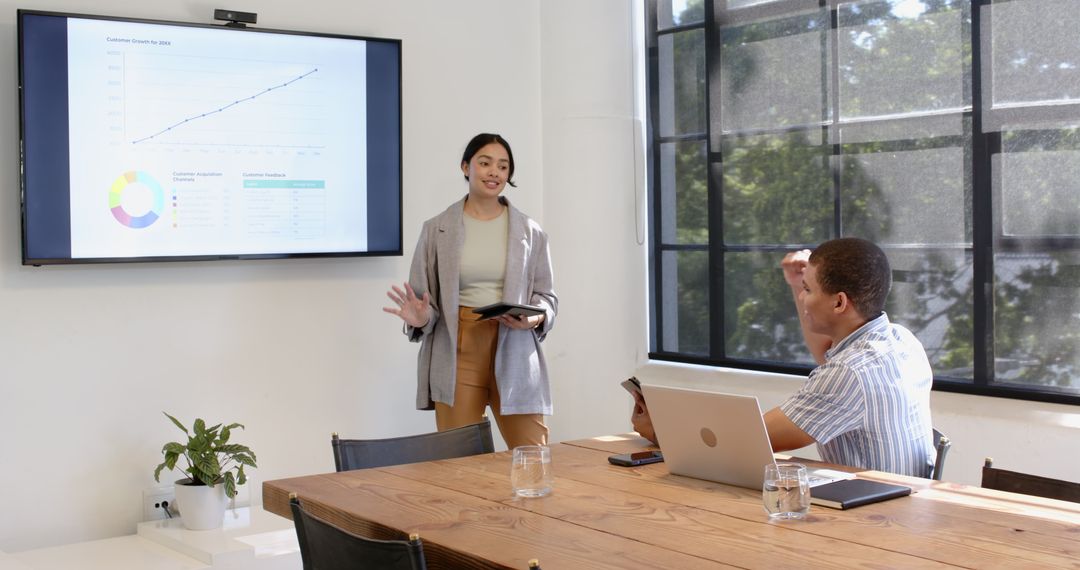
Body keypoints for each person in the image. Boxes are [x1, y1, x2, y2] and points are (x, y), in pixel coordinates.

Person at [632, 238, 935, 478]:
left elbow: (751, 441)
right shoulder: (900, 341)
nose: (802, 298)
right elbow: (826, 356)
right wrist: (796, 285)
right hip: (909, 507)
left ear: (840, 301)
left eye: (808, 289)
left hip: (876, 523)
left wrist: (660, 431)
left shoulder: (850, 373)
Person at [383, 133, 557, 449]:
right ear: (466, 167)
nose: (494, 172)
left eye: (503, 167)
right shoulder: (436, 229)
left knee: (534, 454)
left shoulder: (531, 231)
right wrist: (421, 318)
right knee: (458, 461)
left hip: (515, 343)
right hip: (458, 344)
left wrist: (536, 318)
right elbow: (424, 303)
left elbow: (546, 296)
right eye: (485, 163)